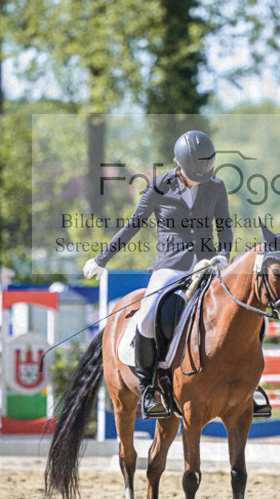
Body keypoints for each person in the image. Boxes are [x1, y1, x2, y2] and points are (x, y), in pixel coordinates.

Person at [83, 130, 233, 418]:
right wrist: (102, 259)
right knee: (148, 314)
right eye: (192, 174)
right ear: (178, 163)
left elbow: (224, 227)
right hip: (170, 265)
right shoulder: (157, 187)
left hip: (207, 264)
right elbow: (133, 225)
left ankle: (245, 386)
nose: (197, 180)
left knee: (236, 308)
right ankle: (149, 389)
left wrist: (222, 256)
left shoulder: (216, 186)